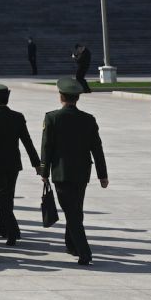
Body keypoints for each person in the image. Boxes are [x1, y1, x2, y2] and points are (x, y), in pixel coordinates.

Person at [41, 76, 109, 265]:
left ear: (61, 96)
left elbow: (47, 147)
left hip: (61, 173)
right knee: (75, 209)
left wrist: (44, 172)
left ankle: (84, 251)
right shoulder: (88, 119)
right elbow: (97, 148)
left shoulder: (52, 117)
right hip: (81, 173)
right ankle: (71, 244)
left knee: (72, 213)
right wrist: (102, 175)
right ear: (76, 98)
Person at [0, 84, 40, 245]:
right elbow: (27, 142)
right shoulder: (17, 116)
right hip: (13, 164)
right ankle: (4, 229)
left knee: (2, 198)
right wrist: (36, 163)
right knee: (7, 197)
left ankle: (12, 231)